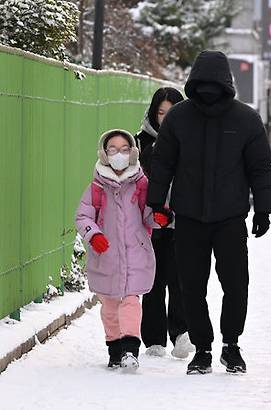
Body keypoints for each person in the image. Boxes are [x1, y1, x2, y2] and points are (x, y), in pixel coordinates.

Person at [147, 50, 271, 375]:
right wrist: (157, 202)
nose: (208, 90)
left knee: (236, 283)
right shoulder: (179, 118)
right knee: (191, 285)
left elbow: (260, 167)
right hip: (188, 216)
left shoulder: (245, 119)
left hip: (230, 217)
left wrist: (263, 208)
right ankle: (202, 348)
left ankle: (231, 345)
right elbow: (163, 162)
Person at [75, 129, 157, 372]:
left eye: (124, 150)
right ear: (104, 153)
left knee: (132, 300)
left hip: (135, 252)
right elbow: (83, 216)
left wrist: (160, 215)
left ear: (131, 153)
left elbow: (149, 215)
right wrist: (94, 234)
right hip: (106, 255)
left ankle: (131, 349)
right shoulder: (96, 187)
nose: (118, 155)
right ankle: (114, 348)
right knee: (110, 305)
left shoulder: (142, 184)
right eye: (113, 150)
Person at [135, 87, 195, 359]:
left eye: (171, 112)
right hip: (150, 223)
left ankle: (181, 334)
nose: (166, 118)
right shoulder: (141, 143)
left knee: (180, 278)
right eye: (161, 113)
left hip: (182, 221)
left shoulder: (192, 139)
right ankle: (153, 339)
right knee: (153, 281)